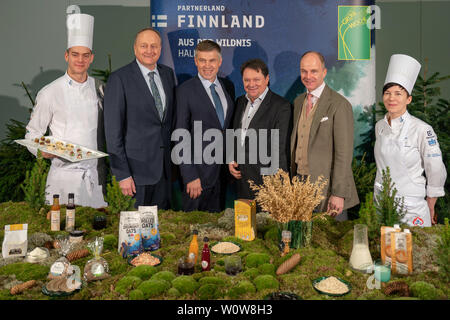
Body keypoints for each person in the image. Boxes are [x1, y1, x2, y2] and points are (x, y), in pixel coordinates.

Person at [25, 13, 107, 208]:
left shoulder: (101, 89)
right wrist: (41, 151)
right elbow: (31, 134)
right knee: (60, 233)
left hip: (93, 177)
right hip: (62, 179)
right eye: (75, 54)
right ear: (66, 55)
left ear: (91, 58)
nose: (80, 60)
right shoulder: (50, 92)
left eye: (85, 55)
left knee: (95, 235)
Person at [103, 27, 176, 209]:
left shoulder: (167, 74)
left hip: (164, 173)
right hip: (134, 176)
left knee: (162, 230)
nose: (149, 50)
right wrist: (122, 174)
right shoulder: (119, 79)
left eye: (154, 46)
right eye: (144, 46)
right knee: (134, 232)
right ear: (135, 48)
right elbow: (113, 132)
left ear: (160, 49)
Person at [374, 54, 447, 227]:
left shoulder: (422, 129)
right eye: (387, 93)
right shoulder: (380, 126)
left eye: (398, 93)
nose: (391, 98)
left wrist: (431, 202)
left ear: (408, 99)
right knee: (383, 250)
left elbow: (435, 166)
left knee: (412, 251)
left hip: (411, 206)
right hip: (381, 203)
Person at [290, 51, 359, 218]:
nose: (308, 76)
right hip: (300, 183)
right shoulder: (299, 102)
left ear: (324, 72)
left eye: (314, 71)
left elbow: (343, 154)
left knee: (330, 241)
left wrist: (338, 193)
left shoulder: (339, 104)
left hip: (328, 189)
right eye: (304, 71)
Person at [175, 40, 235, 212]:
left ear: (220, 62)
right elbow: (180, 135)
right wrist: (190, 175)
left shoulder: (228, 86)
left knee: (219, 230)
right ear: (196, 61)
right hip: (197, 178)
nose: (207, 65)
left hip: (223, 176)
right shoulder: (184, 91)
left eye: (212, 60)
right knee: (194, 230)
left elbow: (228, 128)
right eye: (202, 60)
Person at [229, 58, 292, 201]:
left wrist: (279, 186)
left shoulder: (281, 106)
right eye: (247, 80)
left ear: (267, 79)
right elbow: (235, 134)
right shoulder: (240, 102)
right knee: (245, 223)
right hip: (242, 181)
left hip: (267, 184)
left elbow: (280, 149)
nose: (251, 84)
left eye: (256, 79)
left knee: (267, 224)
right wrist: (231, 159)